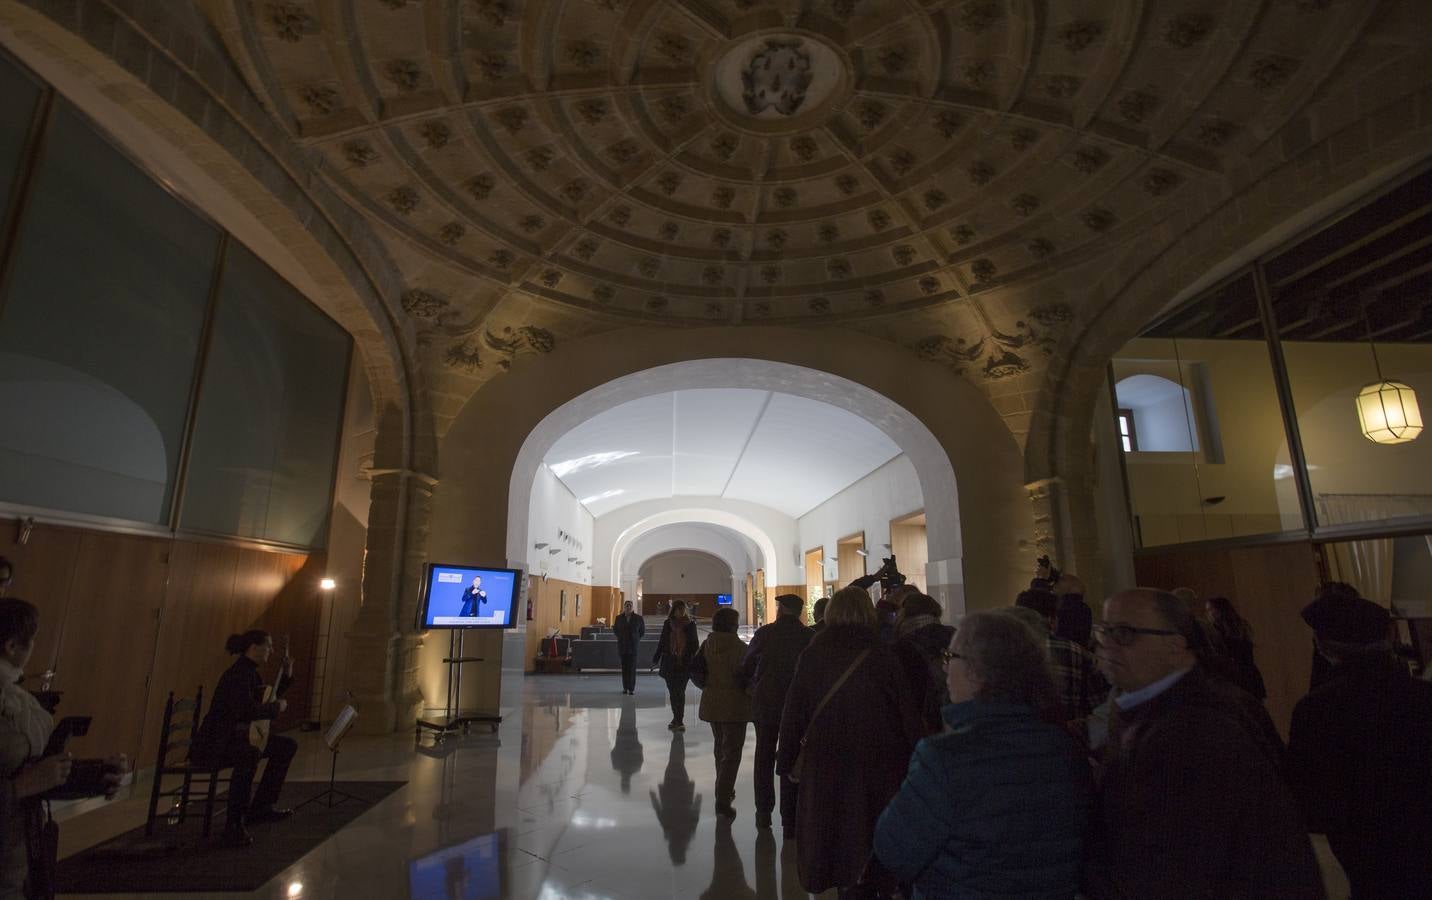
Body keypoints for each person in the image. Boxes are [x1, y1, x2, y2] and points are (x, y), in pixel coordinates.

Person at [1082, 589, 1324, 900]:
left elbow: (1177, 862)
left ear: (1175, 645)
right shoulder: (1144, 709)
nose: (1108, 646)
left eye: (1125, 633)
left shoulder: (1195, 728)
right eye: (1104, 632)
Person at [875, 610, 1091, 898]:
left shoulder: (943, 758)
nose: (944, 669)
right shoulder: (1064, 747)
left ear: (978, 672)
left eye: (951, 658)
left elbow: (894, 849)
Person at [1287, 591, 1432, 900]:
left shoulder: (1315, 711)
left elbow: (1309, 799)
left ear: (1324, 648)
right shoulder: (1423, 696)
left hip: (1364, 850)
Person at [777, 587, 920, 896]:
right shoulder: (883, 653)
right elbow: (905, 710)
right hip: (880, 758)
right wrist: (916, 757)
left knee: (833, 831)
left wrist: (787, 759)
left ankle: (847, 885)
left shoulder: (815, 652)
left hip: (825, 759)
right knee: (873, 828)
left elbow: (795, 710)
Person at [0, 599, 126, 898]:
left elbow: (37, 773)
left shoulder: (18, 700)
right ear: (13, 647)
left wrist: (95, 775)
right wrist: (18, 788)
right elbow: (25, 779)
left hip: (19, 857)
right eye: (33, 640)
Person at [191, 630, 297, 847]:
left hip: (235, 738)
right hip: (218, 744)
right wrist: (276, 708)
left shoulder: (250, 672)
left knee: (285, 746)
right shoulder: (239, 675)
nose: (271, 650)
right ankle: (233, 824)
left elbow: (265, 699)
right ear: (254, 647)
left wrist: (287, 674)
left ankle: (261, 808)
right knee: (249, 755)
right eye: (268, 645)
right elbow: (248, 711)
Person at [739, 593, 813, 834]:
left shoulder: (765, 633)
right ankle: (789, 818)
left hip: (767, 702)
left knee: (764, 755)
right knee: (791, 756)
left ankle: (763, 812)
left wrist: (749, 686)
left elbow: (747, 665)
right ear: (800, 612)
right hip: (797, 705)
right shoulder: (808, 636)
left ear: (781, 610)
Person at [1015, 589, 1109, 724]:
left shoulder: (1001, 654)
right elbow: (1100, 706)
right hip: (1068, 737)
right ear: (1052, 619)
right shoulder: (1078, 652)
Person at [691, 607, 750, 818]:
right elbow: (747, 678)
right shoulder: (741, 649)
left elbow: (696, 670)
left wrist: (708, 686)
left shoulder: (707, 645)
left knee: (720, 748)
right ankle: (723, 798)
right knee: (732, 753)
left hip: (712, 702)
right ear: (733, 625)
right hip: (735, 706)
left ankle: (722, 788)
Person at [891, 593, 955, 736]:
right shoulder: (955, 636)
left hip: (922, 724)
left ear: (904, 613)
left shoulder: (900, 647)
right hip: (957, 716)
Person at [1203, 596, 1267, 701]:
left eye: (1211, 609)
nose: (1209, 614)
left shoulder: (1216, 631)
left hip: (1236, 677)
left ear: (1220, 610)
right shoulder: (1240, 627)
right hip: (1249, 676)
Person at [651, 601, 698, 732]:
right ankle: (676, 717)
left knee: (680, 692)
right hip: (669, 662)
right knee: (672, 692)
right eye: (679, 609)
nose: (681, 611)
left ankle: (679, 720)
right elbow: (662, 641)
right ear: (674, 610)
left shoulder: (690, 625)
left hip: (684, 662)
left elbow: (695, 644)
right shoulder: (668, 624)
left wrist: (697, 661)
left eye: (683, 609)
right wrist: (656, 658)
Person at [612, 600, 645, 695]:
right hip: (622, 646)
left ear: (632, 607)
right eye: (627, 605)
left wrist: (635, 638)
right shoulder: (619, 618)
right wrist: (621, 637)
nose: (628, 607)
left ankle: (631, 688)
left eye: (630, 605)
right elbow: (615, 630)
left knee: (632, 668)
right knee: (624, 668)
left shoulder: (638, 618)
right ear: (624, 607)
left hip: (633, 647)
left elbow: (642, 632)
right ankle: (625, 687)